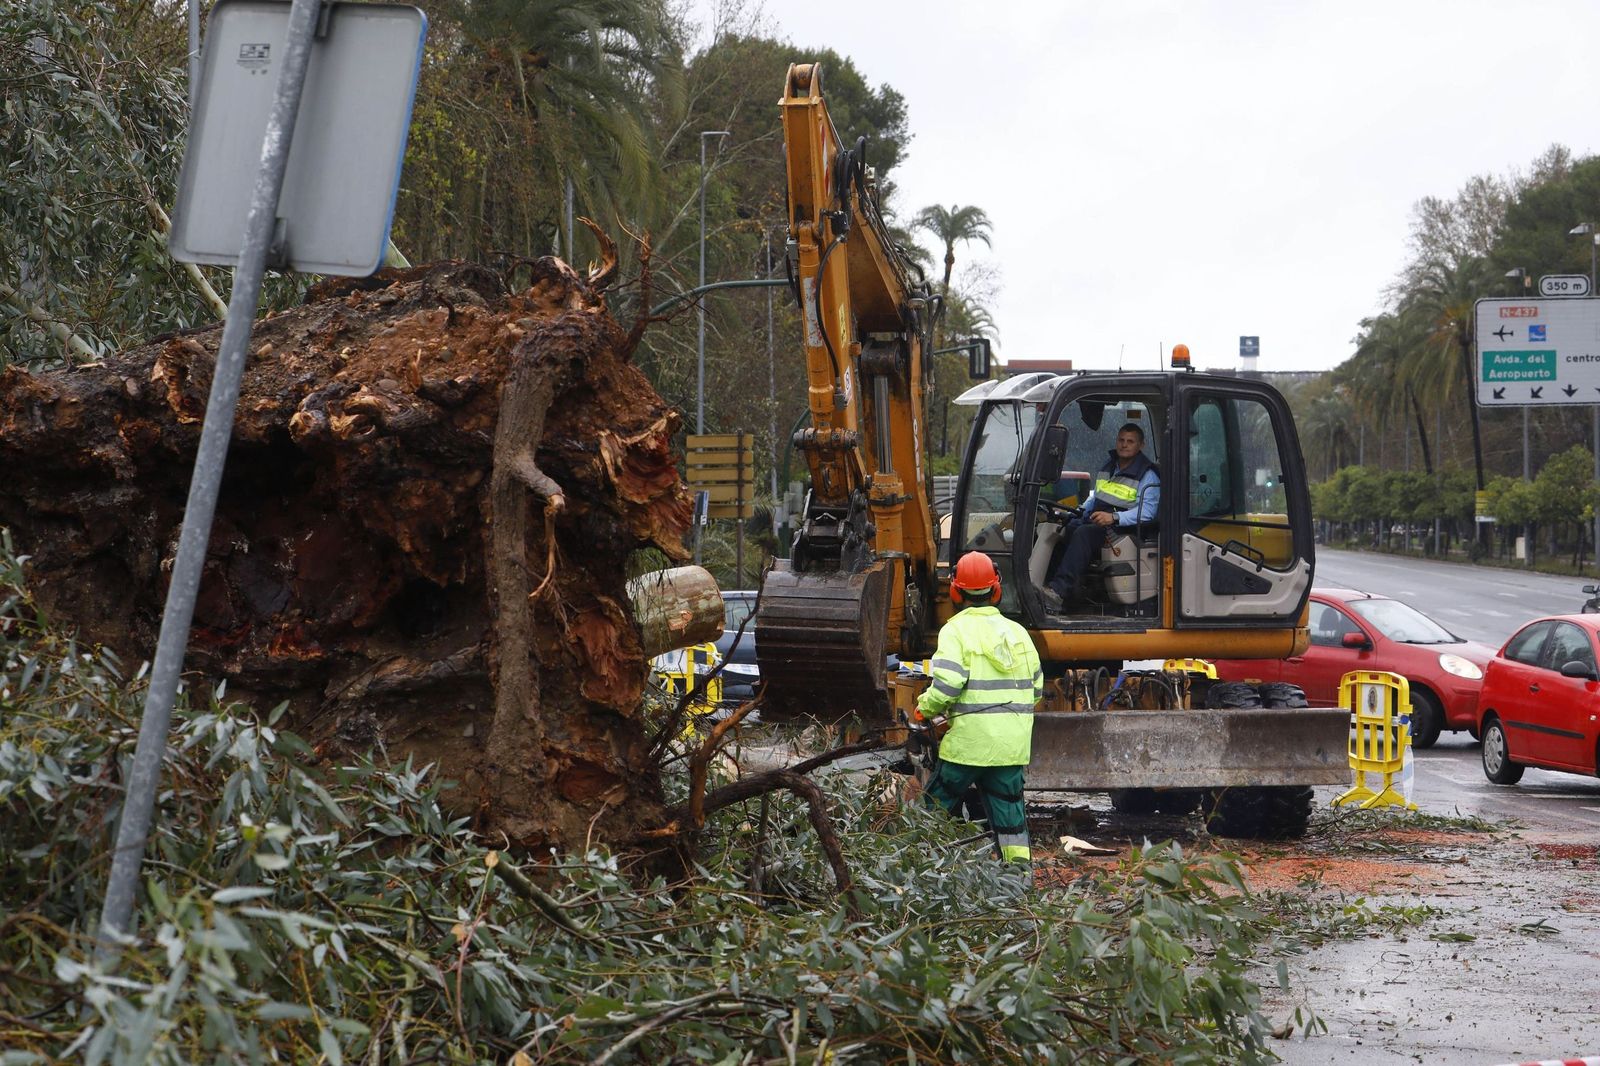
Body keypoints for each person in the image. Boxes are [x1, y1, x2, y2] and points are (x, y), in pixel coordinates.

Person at [915, 551, 1043, 876]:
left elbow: (947, 685)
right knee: (1011, 820)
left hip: (967, 748)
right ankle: (1019, 882)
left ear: (956, 592)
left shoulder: (954, 631)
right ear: (996, 589)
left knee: (933, 808)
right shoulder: (1018, 633)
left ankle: (915, 869)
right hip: (1011, 748)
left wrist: (923, 710)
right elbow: (1037, 690)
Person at [1041, 422, 1160, 611]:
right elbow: (1096, 497)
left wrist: (1114, 518)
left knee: (1083, 534)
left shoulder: (1148, 475)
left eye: (1130, 441)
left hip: (1123, 530)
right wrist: (1075, 512)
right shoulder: (1109, 467)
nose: (1124, 445)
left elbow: (1147, 513)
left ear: (1141, 446)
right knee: (1066, 527)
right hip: (1101, 522)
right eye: (1121, 440)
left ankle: (1059, 591)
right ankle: (1051, 587)